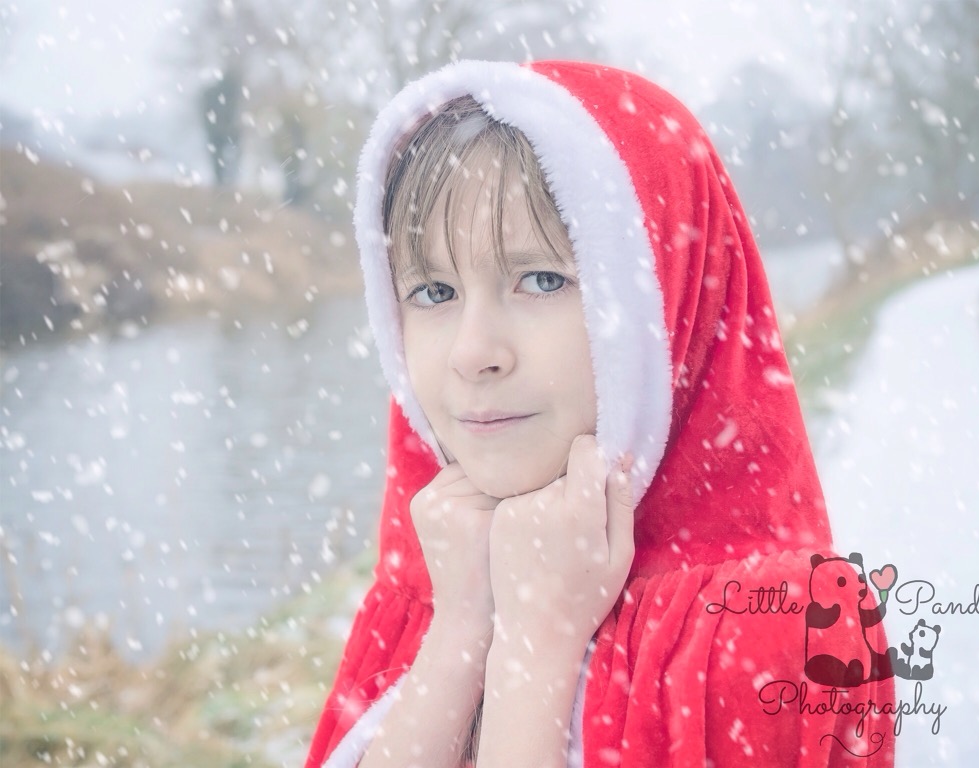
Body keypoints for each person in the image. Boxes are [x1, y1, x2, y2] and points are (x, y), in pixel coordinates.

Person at [305, 60, 896, 768]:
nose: (473, 352)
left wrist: (535, 643)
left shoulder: (778, 631)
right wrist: (462, 625)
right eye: (433, 292)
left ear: (664, 302)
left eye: (542, 279)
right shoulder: (437, 573)